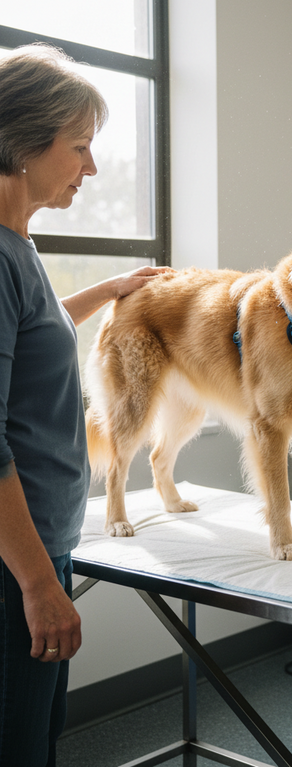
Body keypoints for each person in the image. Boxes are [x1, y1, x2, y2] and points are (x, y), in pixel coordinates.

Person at [0, 43, 171, 767]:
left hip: (37, 541)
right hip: (16, 560)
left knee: (39, 733)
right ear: (21, 146)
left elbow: (33, 335)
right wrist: (39, 584)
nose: (91, 168)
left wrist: (108, 292)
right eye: (80, 148)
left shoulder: (18, 247)